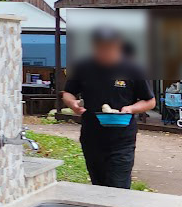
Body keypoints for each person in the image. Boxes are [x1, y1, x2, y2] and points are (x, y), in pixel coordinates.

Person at [61, 27, 156, 189]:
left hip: (122, 140)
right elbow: (68, 93)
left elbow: (150, 101)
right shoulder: (83, 67)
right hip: (92, 136)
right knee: (99, 186)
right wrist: (73, 104)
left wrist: (131, 109)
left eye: (109, 47)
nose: (104, 52)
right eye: (100, 47)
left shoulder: (133, 68)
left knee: (118, 187)